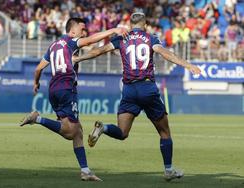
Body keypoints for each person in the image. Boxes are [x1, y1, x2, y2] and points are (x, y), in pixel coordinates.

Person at [73, 12, 201, 181]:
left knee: (122, 132)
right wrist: (188, 65)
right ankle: (169, 170)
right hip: (147, 88)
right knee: (164, 132)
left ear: (131, 25)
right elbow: (166, 54)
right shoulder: (150, 38)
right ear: (145, 24)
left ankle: (103, 128)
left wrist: (79, 58)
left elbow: (99, 51)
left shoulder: (122, 38)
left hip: (129, 90)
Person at [19, 17, 127, 181]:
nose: (84, 33)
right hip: (66, 88)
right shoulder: (71, 42)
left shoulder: (54, 46)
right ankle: (37, 118)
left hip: (53, 89)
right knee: (70, 132)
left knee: (78, 131)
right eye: (82, 29)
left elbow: (38, 68)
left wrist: (35, 83)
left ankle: (85, 170)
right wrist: (113, 30)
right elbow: (91, 40)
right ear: (72, 30)